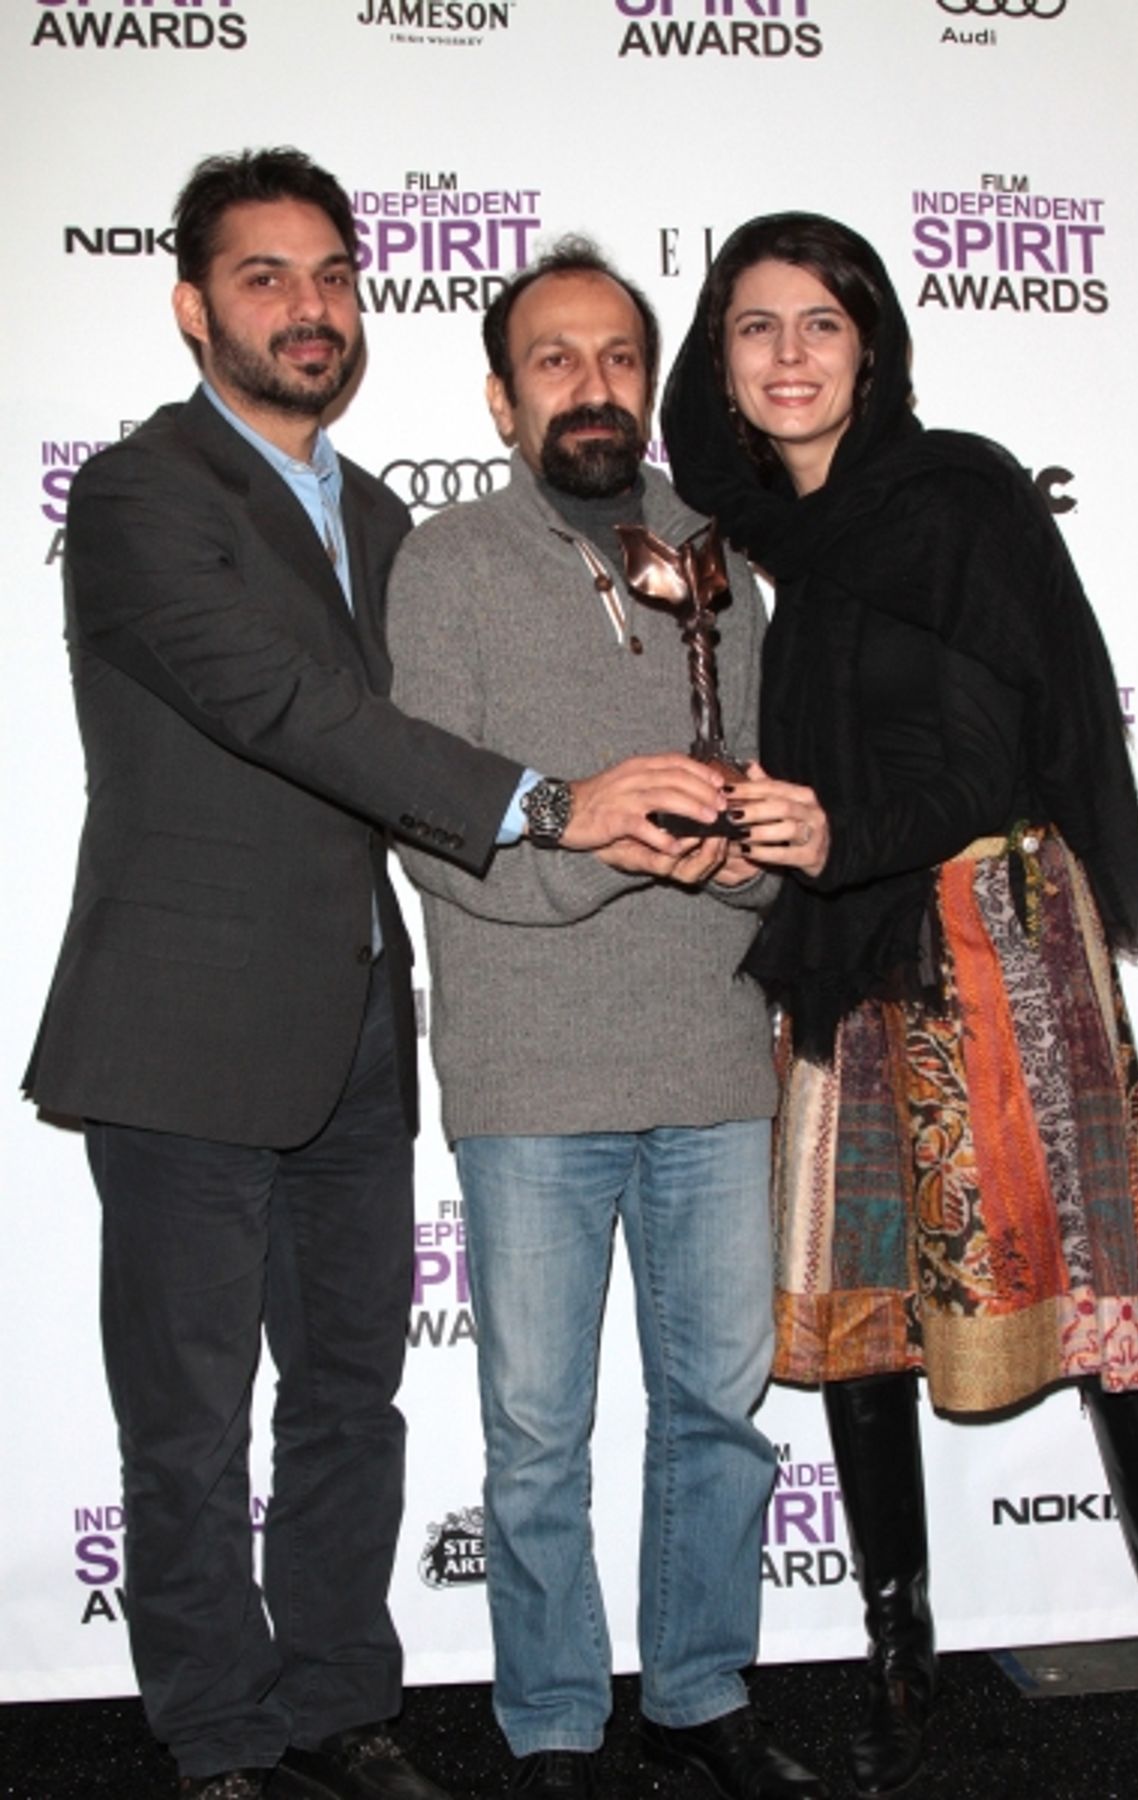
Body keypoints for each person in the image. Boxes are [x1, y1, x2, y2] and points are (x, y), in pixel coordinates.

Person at [22, 151, 731, 1800]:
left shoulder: (389, 518)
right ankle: (217, 1734)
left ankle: (341, 1697)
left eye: (332, 274)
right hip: (182, 1031)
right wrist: (557, 805)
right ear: (194, 307)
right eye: (264, 277)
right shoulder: (140, 495)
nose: (309, 306)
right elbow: (288, 712)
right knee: (190, 1423)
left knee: (351, 1395)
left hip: (354, 1024)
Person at [661, 211, 1138, 1800]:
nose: (787, 356)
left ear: (873, 342)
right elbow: (692, 443)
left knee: (1097, 1308)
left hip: (989, 935)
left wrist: (846, 833)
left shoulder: (955, 499)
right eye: (752, 326)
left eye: (820, 323)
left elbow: (991, 750)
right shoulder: (769, 541)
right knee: (867, 1302)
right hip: (847, 944)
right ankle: (901, 1666)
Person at [386, 239, 828, 1800]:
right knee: (535, 1436)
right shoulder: (445, 566)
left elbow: (770, 807)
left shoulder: (721, 556)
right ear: (503, 398)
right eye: (557, 361)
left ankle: (700, 1695)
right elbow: (441, 833)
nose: (594, 386)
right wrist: (601, 844)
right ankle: (555, 1723)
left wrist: (719, 863)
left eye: (620, 358)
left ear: (654, 384)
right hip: (530, 1070)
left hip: (713, 1053)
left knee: (720, 1414)